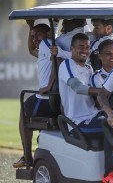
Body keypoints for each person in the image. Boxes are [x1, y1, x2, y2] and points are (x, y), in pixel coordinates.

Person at [13, 22, 58, 168]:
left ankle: (27, 157)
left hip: (47, 98)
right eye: (33, 36)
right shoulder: (44, 48)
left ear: (48, 33)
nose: (35, 39)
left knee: (24, 109)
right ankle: (39, 149)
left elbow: (57, 61)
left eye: (38, 34)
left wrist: (49, 86)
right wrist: (30, 28)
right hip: (51, 99)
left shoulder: (47, 44)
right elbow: (31, 49)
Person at [58, 33, 105, 139]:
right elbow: (77, 87)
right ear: (71, 49)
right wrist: (103, 91)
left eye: (87, 47)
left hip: (94, 114)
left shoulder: (89, 68)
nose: (85, 50)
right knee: (111, 126)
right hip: (78, 122)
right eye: (81, 47)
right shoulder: (67, 64)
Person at [89, 39, 113, 183]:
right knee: (110, 125)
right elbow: (100, 100)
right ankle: (109, 173)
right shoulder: (96, 77)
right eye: (108, 54)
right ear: (99, 56)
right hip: (106, 112)